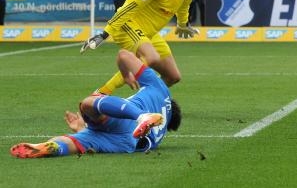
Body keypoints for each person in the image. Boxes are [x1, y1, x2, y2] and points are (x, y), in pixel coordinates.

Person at [80, 0, 211, 95]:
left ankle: (141, 102)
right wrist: (104, 33)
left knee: (173, 76)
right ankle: (102, 93)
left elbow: (183, 7)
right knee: (152, 57)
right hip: (128, 25)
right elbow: (131, 6)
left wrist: (182, 25)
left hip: (149, 34)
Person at [10, 49, 181, 158]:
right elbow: (118, 134)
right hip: (127, 144)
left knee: (88, 103)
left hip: (129, 123)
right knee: (77, 142)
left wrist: (125, 73)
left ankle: (141, 116)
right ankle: (50, 147)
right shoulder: (161, 133)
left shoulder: (160, 89)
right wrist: (80, 127)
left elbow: (124, 55)